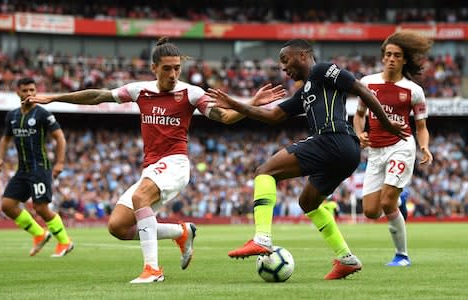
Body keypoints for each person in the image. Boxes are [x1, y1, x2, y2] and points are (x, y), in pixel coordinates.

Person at [25, 37, 285, 283]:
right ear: (154, 68)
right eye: (167, 69)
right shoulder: (140, 91)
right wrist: (54, 97)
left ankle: (152, 269)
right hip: (152, 167)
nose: (173, 75)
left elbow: (225, 117)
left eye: (177, 69)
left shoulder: (190, 94)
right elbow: (98, 96)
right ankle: (181, 232)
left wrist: (249, 104)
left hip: (175, 164)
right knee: (117, 226)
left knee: (140, 199)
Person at [207, 38, 408, 280]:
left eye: (285, 60)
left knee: (264, 171)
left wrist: (384, 122)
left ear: (302, 55)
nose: (283, 67)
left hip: (333, 139)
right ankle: (346, 259)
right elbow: (273, 116)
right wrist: (236, 105)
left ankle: (262, 238)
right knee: (308, 203)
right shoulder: (305, 91)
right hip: (344, 152)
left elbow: (362, 90)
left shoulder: (322, 70)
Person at [353, 31, 433, 267]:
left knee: (386, 203)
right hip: (375, 152)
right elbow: (358, 116)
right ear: (382, 57)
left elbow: (421, 127)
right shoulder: (367, 83)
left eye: (397, 55)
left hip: (401, 146)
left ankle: (402, 255)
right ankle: (399, 199)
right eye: (388, 54)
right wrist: (360, 134)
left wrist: (425, 146)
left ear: (404, 60)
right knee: (370, 212)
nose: (391, 59)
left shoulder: (413, 90)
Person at [0, 77, 74, 257]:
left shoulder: (42, 114)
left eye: (32, 90)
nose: (29, 94)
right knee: (7, 205)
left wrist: (60, 162)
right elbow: (5, 139)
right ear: (18, 92)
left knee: (41, 208)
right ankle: (39, 234)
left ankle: (65, 242)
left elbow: (60, 137)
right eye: (25, 91)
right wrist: (0, 158)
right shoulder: (12, 115)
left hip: (40, 167)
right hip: (22, 169)